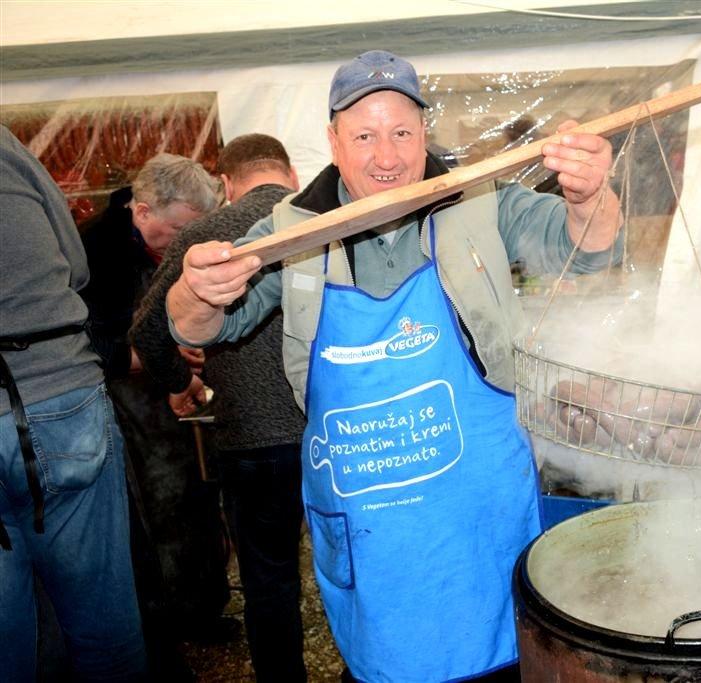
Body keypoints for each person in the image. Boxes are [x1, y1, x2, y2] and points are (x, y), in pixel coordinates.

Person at [167, 50, 622, 682]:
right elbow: (199, 323)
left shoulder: (480, 198)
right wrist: (194, 289)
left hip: (476, 504)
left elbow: (589, 246)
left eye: (402, 132)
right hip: (370, 514)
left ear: (424, 133)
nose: (388, 155)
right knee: (384, 664)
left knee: (498, 654)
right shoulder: (291, 230)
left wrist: (591, 195)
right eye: (365, 135)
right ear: (333, 140)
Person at [130, 134, 308, 681]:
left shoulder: (205, 236)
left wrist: (180, 383)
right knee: (356, 565)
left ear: (225, 184)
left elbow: (147, 331)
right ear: (291, 176)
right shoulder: (324, 220)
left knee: (267, 576)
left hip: (251, 435)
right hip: (335, 428)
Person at [0, 125, 147, 681]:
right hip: (58, 392)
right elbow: (75, 264)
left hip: (43, 398)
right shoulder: (5, 148)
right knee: (103, 625)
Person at [77, 153, 233, 670]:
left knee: (198, 497)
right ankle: (165, 621)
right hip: (127, 400)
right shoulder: (92, 249)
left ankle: (205, 605)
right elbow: (89, 340)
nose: (186, 242)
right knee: (157, 507)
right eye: (180, 231)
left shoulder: (164, 234)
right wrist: (152, 356)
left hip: (177, 388)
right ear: (141, 211)